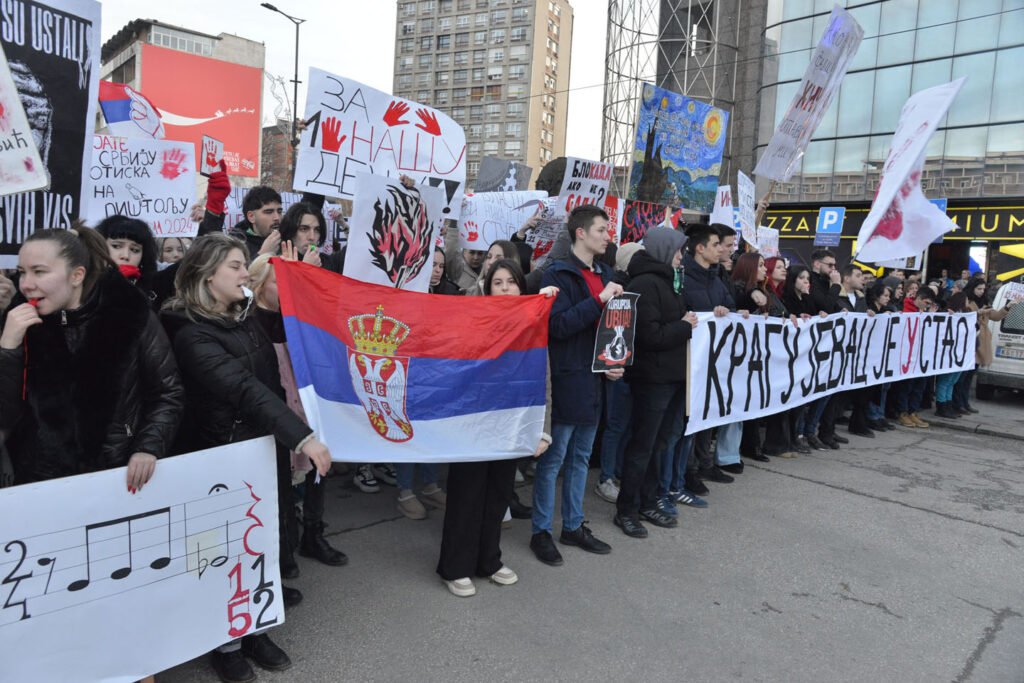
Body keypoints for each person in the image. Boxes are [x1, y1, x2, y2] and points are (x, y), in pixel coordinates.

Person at [161, 233, 332, 682]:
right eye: (236, 266)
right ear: (207, 276)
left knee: (261, 541)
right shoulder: (190, 334)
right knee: (224, 555)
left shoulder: (242, 317)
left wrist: (299, 277)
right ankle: (226, 645)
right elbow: (244, 389)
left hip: (258, 451)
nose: (245, 274)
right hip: (219, 459)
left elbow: (281, 326)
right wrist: (302, 438)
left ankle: (255, 627)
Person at [0, 227, 183, 488]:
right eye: (22, 272)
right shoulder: (17, 322)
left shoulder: (130, 314)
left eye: (39, 272)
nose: (26, 284)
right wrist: (8, 348)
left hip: (115, 475)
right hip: (39, 479)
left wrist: (148, 447)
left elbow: (167, 392)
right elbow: (6, 414)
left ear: (77, 275)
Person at [438, 258, 556, 596]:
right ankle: (455, 567)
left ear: (521, 286)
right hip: (472, 425)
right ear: (487, 288)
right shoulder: (473, 320)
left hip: (511, 426)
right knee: (467, 497)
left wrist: (543, 429)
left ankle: (488, 561)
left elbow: (543, 378)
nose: (505, 288)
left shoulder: (531, 324)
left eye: (512, 282)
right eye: (498, 282)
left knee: (497, 497)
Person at [530, 205, 623, 567]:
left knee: (581, 457)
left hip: (595, 380)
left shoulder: (607, 273)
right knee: (553, 460)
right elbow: (559, 326)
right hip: (567, 378)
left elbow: (612, 330)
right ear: (580, 233)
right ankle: (541, 531)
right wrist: (599, 300)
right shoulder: (557, 273)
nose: (607, 236)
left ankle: (572, 525)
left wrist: (613, 363)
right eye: (601, 230)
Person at [247, 252, 349, 570]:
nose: (286, 289)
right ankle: (283, 545)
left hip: (305, 397)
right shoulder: (249, 321)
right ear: (259, 285)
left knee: (318, 466)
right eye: (280, 282)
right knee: (279, 476)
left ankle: (313, 535)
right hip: (275, 403)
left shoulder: (298, 317)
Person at [614, 227, 697, 538]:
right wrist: (684, 326)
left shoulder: (667, 281)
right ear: (663, 250)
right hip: (652, 379)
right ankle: (626, 510)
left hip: (670, 377)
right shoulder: (645, 284)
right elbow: (649, 335)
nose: (681, 257)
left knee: (658, 445)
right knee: (642, 446)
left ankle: (648, 502)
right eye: (678, 250)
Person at [680, 223, 735, 494]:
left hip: (714, 359)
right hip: (691, 359)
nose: (721, 250)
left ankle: (705, 463)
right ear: (700, 248)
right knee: (691, 417)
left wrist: (727, 311)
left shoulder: (716, 278)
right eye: (715, 245)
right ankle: (688, 470)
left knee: (708, 413)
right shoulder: (683, 278)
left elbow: (731, 306)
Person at [595, 242, 645, 504]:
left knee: (625, 423)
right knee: (616, 424)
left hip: (632, 365)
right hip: (617, 365)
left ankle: (617, 470)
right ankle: (606, 477)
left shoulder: (639, 284)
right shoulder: (615, 288)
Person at [892, 286, 938, 429]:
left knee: (919, 385)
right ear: (918, 299)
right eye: (926, 303)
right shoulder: (906, 308)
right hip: (907, 355)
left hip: (920, 355)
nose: (927, 306)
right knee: (907, 385)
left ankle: (912, 411)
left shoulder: (921, 311)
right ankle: (902, 412)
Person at [95, 215, 159, 301]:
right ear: (99, 246)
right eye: (116, 246)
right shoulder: (83, 285)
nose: (126, 256)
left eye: (135, 250)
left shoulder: (154, 290)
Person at [278, 202, 343, 273]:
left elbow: (349, 254)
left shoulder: (326, 262)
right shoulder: (278, 263)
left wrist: (344, 225)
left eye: (317, 230)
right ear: (290, 232)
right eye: (304, 229)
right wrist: (306, 268)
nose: (312, 237)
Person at [865, 281, 895, 432]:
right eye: (885, 295)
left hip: (883, 354)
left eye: (889, 296)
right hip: (872, 355)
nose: (888, 298)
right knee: (875, 387)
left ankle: (880, 414)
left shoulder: (885, 310)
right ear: (877, 296)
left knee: (884, 387)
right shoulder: (870, 310)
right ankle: (872, 416)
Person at [934, 292, 969, 418]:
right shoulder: (947, 313)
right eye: (966, 300)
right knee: (945, 380)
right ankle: (941, 406)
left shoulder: (964, 314)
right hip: (948, 354)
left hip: (959, 353)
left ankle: (948, 405)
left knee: (952, 381)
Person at [444, 219, 488, 292]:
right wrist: (453, 223)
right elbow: (451, 250)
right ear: (464, 252)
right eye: (472, 252)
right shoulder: (457, 269)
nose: (476, 257)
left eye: (480, 253)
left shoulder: (488, 271)